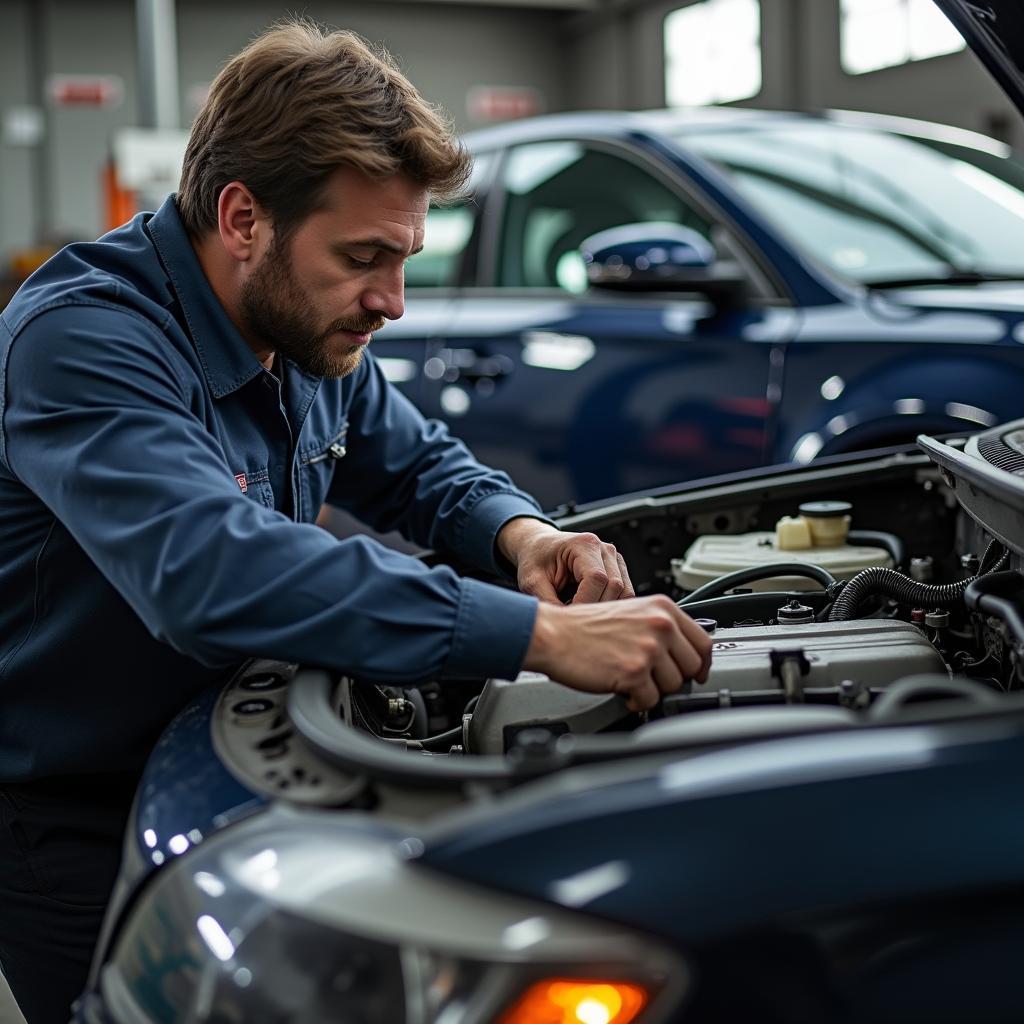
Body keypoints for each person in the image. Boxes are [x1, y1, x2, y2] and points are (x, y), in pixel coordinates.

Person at [0, 21, 712, 1023]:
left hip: (238, 751)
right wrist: (539, 636)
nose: (394, 301)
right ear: (241, 217)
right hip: (79, 809)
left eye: (406, 257)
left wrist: (527, 538)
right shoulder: (82, 339)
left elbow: (420, 466)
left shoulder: (301, 322)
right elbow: (213, 574)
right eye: (366, 257)